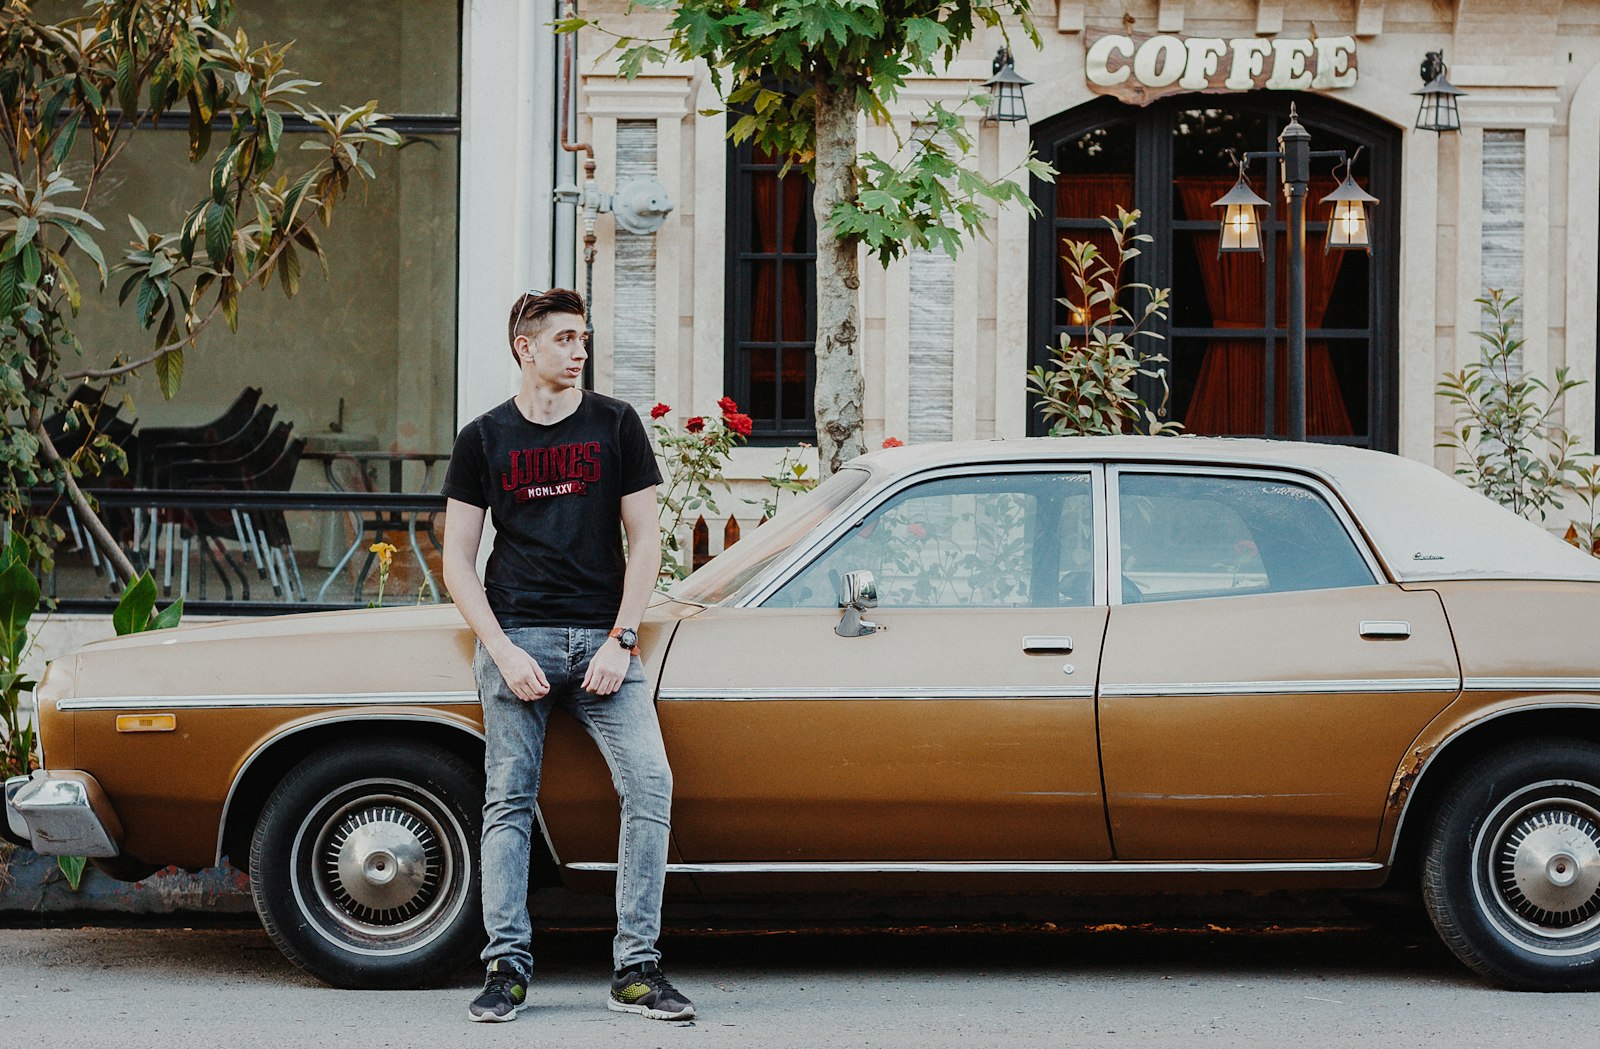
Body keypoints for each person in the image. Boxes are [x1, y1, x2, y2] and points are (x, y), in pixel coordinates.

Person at [440, 288, 693, 1024]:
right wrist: (501, 647)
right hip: (518, 639)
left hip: (602, 644)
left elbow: (645, 541)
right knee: (508, 801)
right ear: (526, 347)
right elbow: (458, 557)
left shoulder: (614, 424)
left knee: (651, 784)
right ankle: (506, 967)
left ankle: (637, 968)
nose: (580, 350)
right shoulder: (484, 437)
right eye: (564, 339)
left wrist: (621, 639)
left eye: (584, 337)